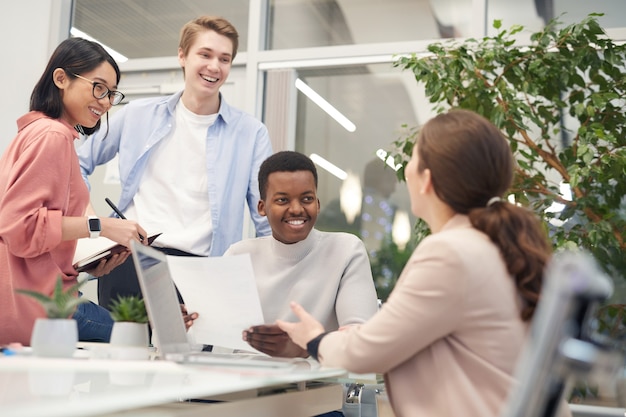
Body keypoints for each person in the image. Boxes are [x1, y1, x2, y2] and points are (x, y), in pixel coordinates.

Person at [277, 110, 571, 417]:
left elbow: (367, 352)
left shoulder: (450, 253)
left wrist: (314, 338)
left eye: (413, 160)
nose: (406, 171)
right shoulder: (495, 244)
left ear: (427, 179)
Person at [77, 15, 273, 310]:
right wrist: (95, 224)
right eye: (205, 54)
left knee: (192, 357)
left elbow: (265, 216)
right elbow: (76, 164)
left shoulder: (251, 133)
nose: (214, 66)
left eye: (224, 58)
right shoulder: (137, 115)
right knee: (124, 355)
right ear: (182, 56)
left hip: (203, 270)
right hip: (131, 261)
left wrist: (275, 277)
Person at [0, 37, 149, 346]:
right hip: (41, 307)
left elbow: (40, 231)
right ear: (61, 78)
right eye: (98, 87)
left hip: (35, 297)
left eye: (111, 94)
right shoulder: (52, 136)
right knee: (136, 341)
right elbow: (19, 226)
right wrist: (103, 226)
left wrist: (86, 264)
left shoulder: (37, 132)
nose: (106, 102)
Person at [225, 151, 379, 358]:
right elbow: (217, 337)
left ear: (317, 203)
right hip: (242, 381)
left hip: (318, 386)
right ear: (262, 207)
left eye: (306, 198)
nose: (296, 209)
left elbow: (361, 340)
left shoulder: (346, 251)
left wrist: (303, 348)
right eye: (282, 200)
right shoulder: (239, 255)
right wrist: (186, 323)